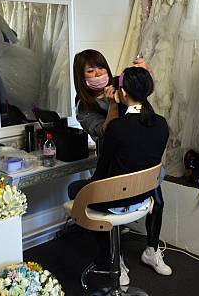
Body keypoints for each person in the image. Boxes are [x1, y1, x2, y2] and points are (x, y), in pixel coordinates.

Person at [69, 51, 172, 287]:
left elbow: (142, 88)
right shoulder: (84, 107)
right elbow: (107, 131)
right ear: (81, 77)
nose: (98, 74)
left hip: (139, 165)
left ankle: (152, 250)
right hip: (114, 162)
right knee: (100, 193)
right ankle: (115, 259)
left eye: (100, 68)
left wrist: (148, 71)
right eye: (90, 71)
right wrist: (114, 105)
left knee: (158, 201)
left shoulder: (120, 83)